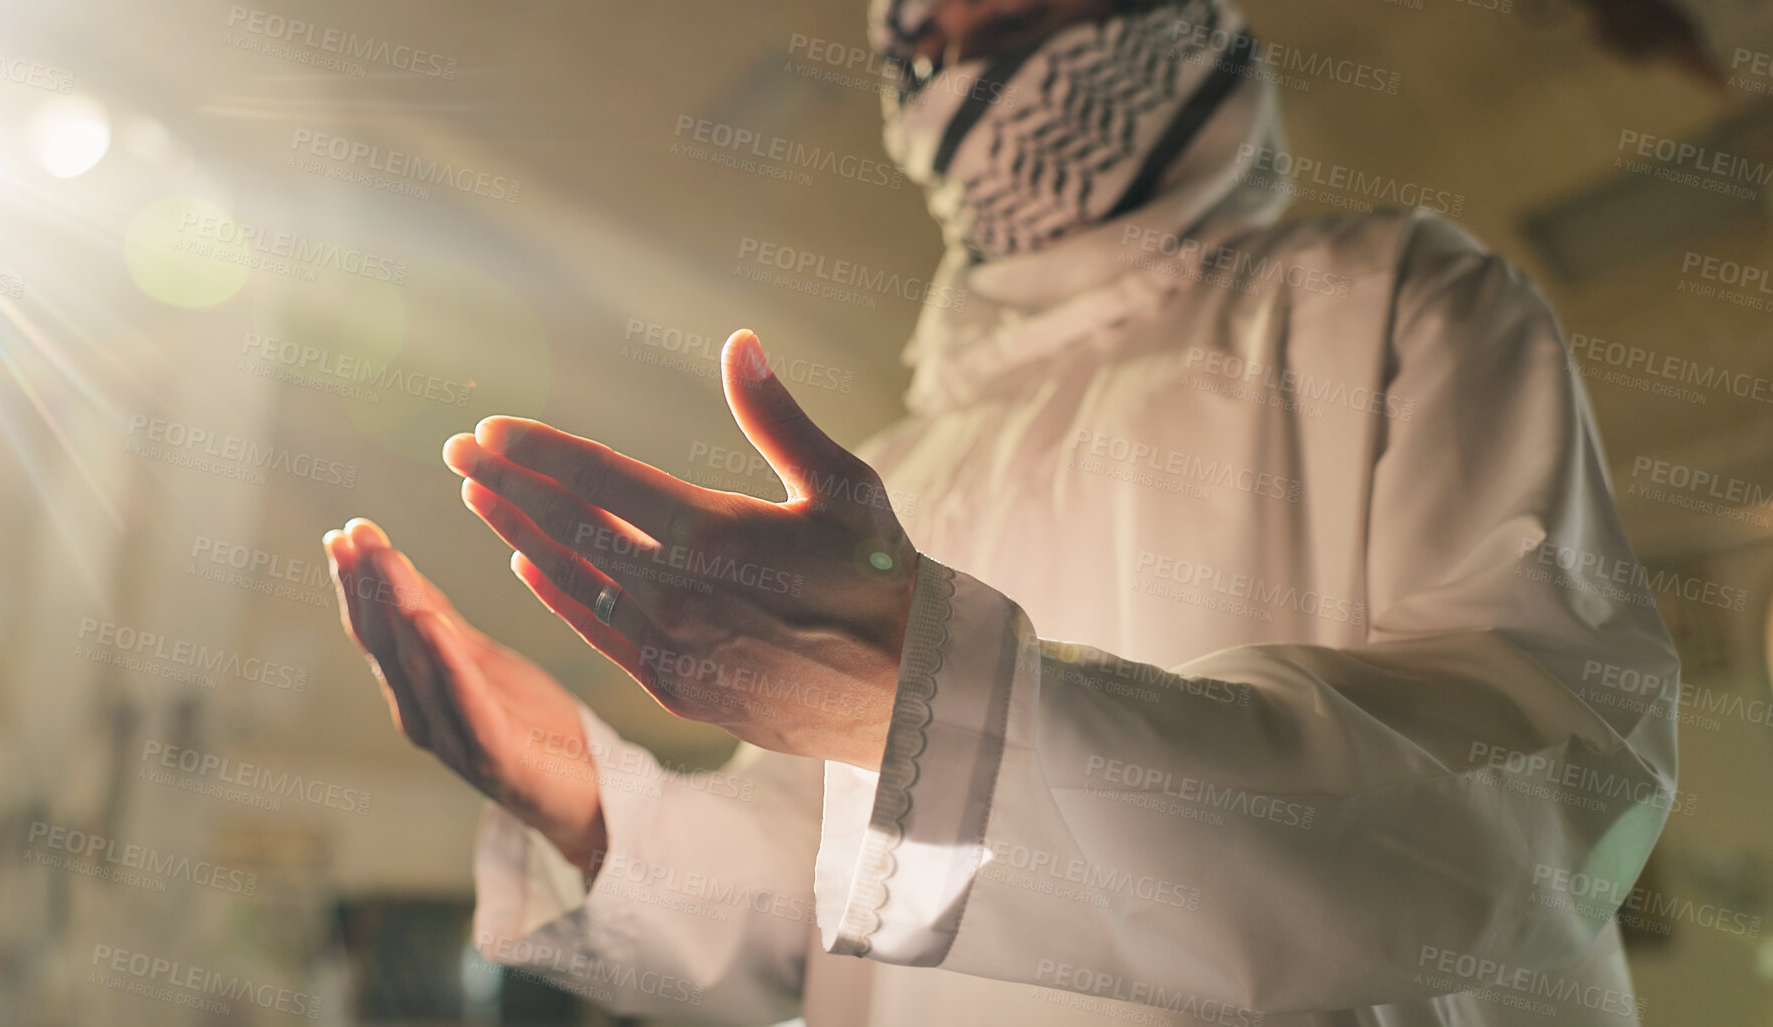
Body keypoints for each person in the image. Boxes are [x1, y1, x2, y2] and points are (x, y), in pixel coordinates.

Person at [323, 0, 1683, 1023]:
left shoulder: (1395, 306)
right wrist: (594, 811)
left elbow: (1538, 803)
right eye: (921, 35)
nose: (957, 47)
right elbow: (811, 919)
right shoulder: (906, 462)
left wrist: (936, 710)